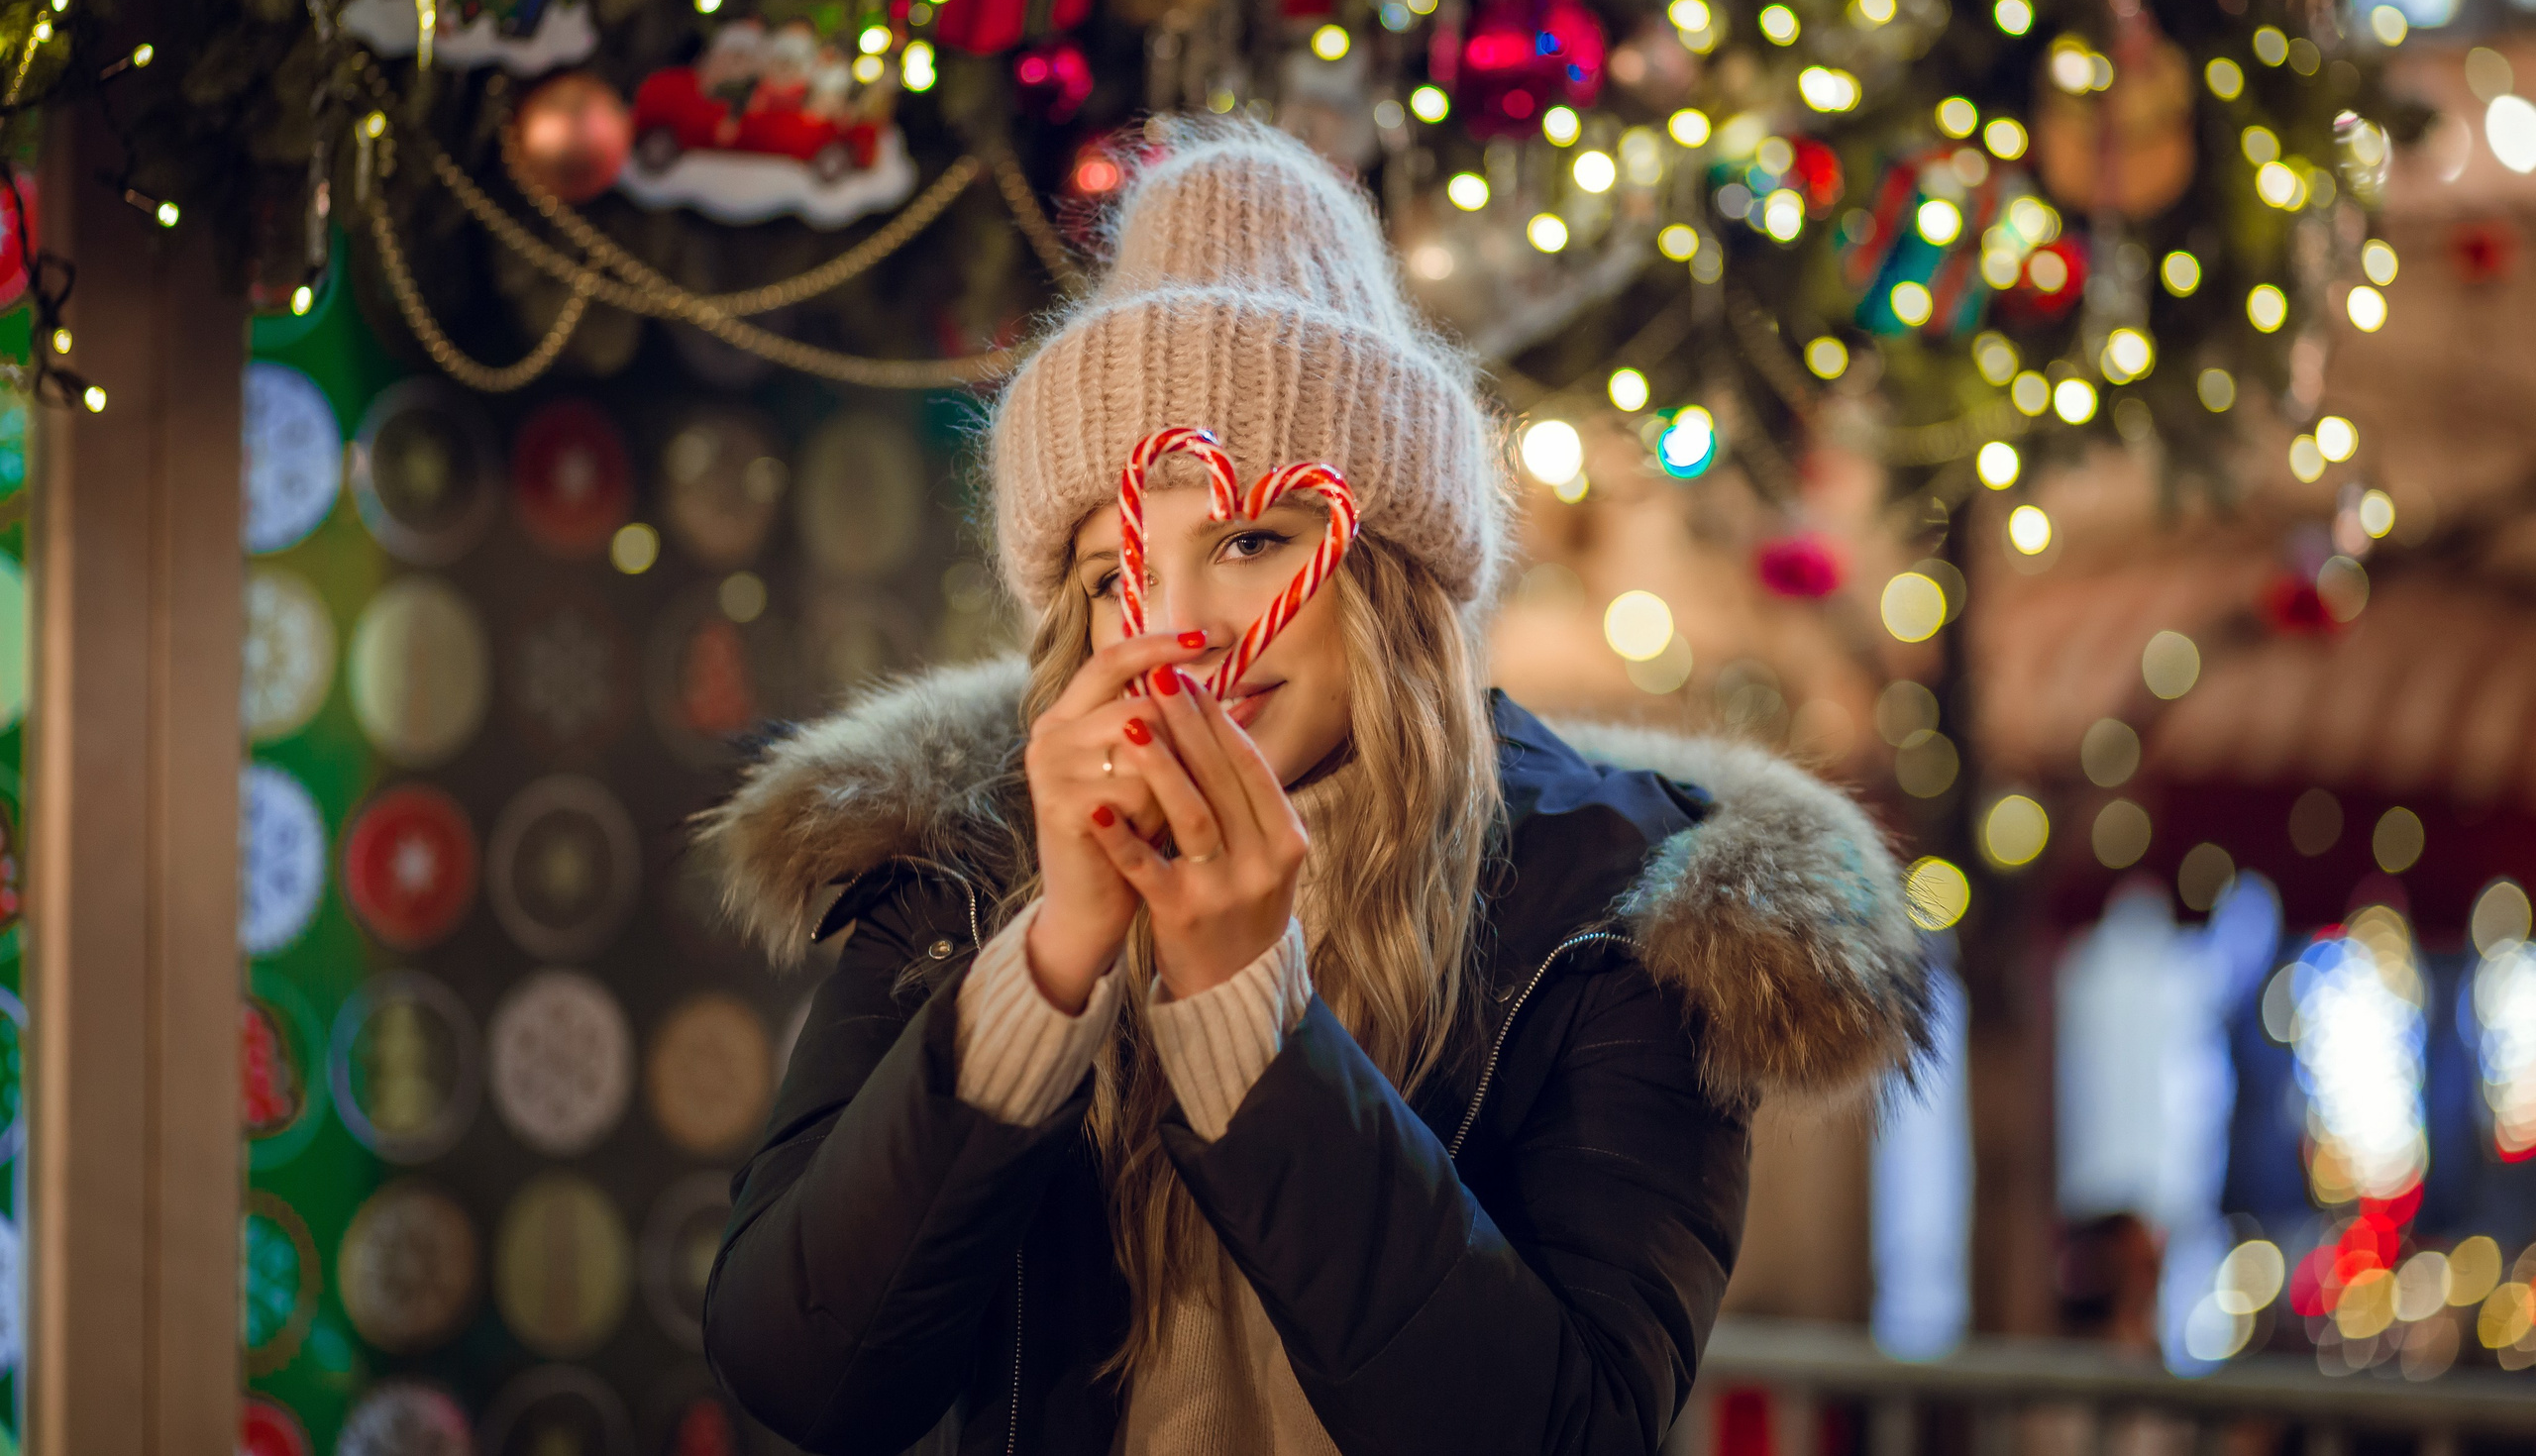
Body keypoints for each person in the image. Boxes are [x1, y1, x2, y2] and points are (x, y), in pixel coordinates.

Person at [698, 120, 1933, 1456]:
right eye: (1119, 571)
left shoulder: (1624, 916)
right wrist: (1046, 964)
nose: (1186, 629)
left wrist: (1252, 1020)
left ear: (1383, 572)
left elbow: (1561, 1434)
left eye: (1249, 541)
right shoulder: (959, 858)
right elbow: (802, 1374)